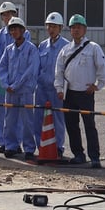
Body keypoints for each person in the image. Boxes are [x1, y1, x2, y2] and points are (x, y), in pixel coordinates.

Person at [55, 14, 105, 167]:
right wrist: (59, 88)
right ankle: (78, 154)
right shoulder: (65, 49)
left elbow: (104, 69)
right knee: (71, 125)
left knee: (89, 125)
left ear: (85, 29)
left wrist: (98, 85)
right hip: (69, 93)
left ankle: (94, 157)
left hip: (85, 93)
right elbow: (58, 71)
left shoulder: (93, 48)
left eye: (79, 27)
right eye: (73, 27)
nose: (76, 30)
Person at [0, 16, 40, 160]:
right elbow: (2, 67)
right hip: (10, 91)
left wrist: (16, 85)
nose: (14, 32)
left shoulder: (31, 49)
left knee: (27, 120)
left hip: (25, 90)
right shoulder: (9, 49)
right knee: (9, 119)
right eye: (12, 29)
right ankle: (11, 146)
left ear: (23, 31)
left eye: (16, 29)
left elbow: (31, 70)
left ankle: (29, 148)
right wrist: (5, 84)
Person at [0, 1, 27, 154]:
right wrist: (6, 74)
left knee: (16, 111)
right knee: (1, 110)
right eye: (5, 15)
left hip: (18, 80)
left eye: (10, 14)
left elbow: (25, 54)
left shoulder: (25, 34)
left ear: (15, 15)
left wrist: (15, 75)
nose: (8, 17)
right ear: (2, 17)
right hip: (2, 79)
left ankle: (16, 141)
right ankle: (3, 141)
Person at [34, 12, 69, 159]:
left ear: (60, 28)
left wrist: (62, 88)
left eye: (54, 26)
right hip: (42, 88)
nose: (51, 29)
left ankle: (58, 147)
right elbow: (37, 67)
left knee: (58, 119)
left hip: (57, 89)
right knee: (39, 118)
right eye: (49, 26)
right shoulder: (42, 45)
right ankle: (40, 146)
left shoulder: (66, 46)